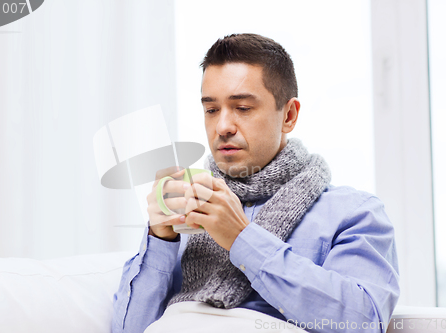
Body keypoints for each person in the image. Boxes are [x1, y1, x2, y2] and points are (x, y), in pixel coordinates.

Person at [112, 33, 399, 333]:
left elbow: (362, 322)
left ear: (288, 115)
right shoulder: (184, 210)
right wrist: (160, 239)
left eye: (243, 108)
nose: (222, 126)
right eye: (211, 110)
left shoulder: (353, 212)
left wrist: (242, 238)